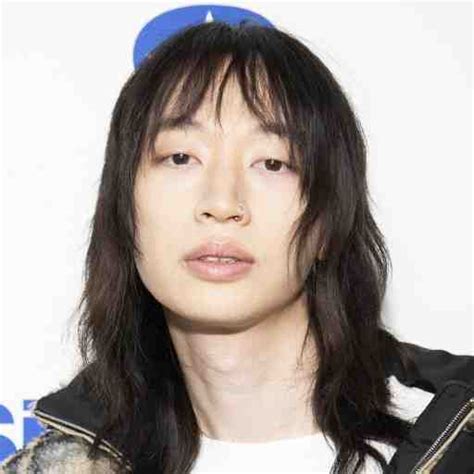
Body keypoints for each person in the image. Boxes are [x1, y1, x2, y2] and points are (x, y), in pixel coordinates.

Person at [2, 20, 473, 474]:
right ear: (124, 209)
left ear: (329, 220)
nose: (222, 203)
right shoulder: (61, 465)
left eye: (272, 163)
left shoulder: (457, 439)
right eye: (180, 157)